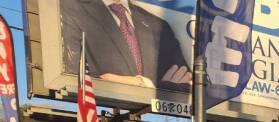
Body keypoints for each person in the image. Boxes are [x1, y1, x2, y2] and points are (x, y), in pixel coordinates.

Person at [61, 0, 191, 91]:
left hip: (152, 119)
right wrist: (162, 86)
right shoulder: (69, 10)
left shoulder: (158, 26)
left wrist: (144, 84)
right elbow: (73, 76)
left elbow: (189, 86)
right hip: (96, 116)